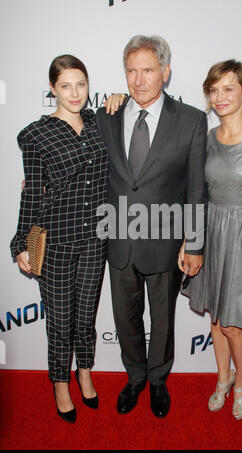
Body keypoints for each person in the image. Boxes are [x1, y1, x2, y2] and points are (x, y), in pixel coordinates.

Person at [96, 35, 207, 418]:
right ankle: (135, 378)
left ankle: (158, 381)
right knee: (125, 318)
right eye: (131, 70)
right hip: (119, 240)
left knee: (162, 320)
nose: (138, 80)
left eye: (147, 70)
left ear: (166, 72)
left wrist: (194, 243)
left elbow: (196, 188)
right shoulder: (105, 115)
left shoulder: (192, 120)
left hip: (166, 241)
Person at [10, 55, 109, 423]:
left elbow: (134, 108)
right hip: (56, 242)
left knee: (86, 317)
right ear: (52, 89)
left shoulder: (100, 123)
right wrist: (21, 240)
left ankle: (85, 371)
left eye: (80, 84)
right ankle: (59, 382)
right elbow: (33, 190)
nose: (74, 93)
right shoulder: (36, 135)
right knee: (60, 322)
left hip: (96, 239)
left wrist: (117, 98)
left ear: (88, 85)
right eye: (65, 85)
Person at [179, 60, 242, 420]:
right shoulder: (205, 139)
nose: (219, 97)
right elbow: (196, 194)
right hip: (210, 231)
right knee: (216, 320)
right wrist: (189, 242)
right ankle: (222, 378)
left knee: (234, 323)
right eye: (214, 90)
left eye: (228, 89)